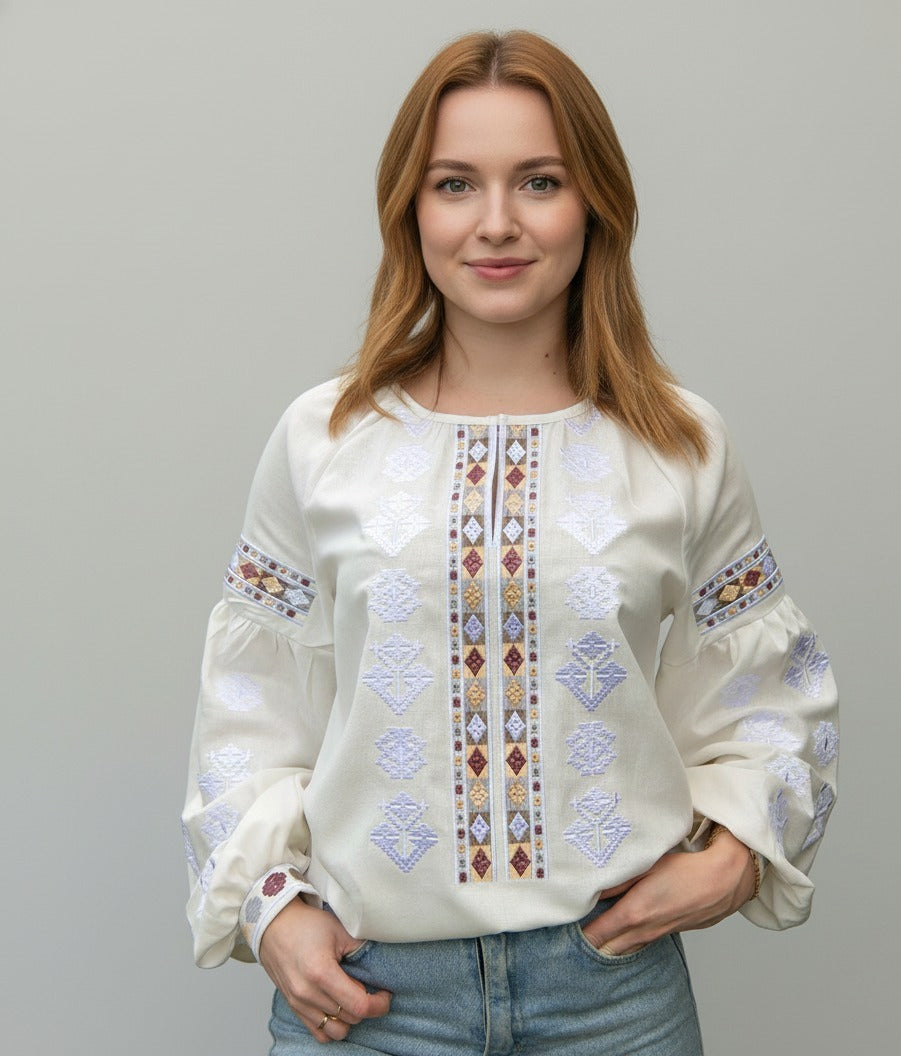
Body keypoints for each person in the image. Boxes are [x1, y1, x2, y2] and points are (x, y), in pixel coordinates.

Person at [182, 29, 838, 1055]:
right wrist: (270, 909)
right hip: (370, 997)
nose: (496, 223)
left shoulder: (678, 443)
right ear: (409, 208)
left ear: (595, 204)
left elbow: (766, 693)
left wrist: (737, 852)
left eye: (539, 181)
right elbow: (249, 705)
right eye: (455, 184)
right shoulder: (326, 440)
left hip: (612, 1000)